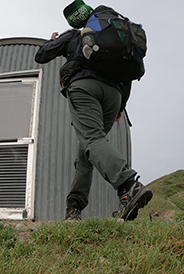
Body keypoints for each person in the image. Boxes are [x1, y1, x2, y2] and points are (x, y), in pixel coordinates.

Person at [35, 0, 152, 221]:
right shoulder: (118, 36)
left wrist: (51, 41)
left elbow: (41, 55)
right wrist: (121, 105)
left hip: (85, 87)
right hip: (114, 96)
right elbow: (127, 75)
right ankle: (74, 207)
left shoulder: (74, 36)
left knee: (92, 140)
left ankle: (128, 186)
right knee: (87, 152)